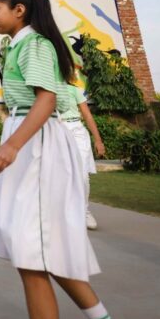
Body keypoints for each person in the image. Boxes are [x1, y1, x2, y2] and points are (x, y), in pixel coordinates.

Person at [0, 0, 147, 319]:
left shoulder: (35, 44)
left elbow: (47, 99)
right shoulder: (21, 45)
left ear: (20, 10)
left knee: (32, 258)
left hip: (37, 147)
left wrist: (12, 145)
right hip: (30, 143)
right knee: (46, 258)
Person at [60, 83, 107, 229]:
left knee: (82, 175)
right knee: (61, 175)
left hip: (77, 130)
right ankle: (63, 213)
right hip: (57, 129)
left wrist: (98, 140)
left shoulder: (74, 89)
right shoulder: (46, 88)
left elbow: (87, 114)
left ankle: (84, 211)